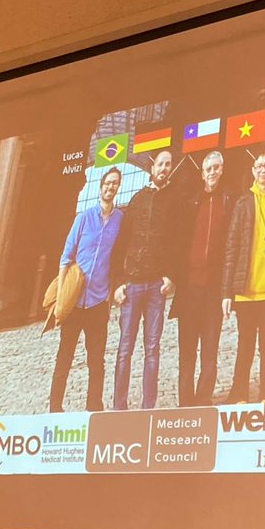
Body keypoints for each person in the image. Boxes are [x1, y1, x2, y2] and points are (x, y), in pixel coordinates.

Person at [49, 167, 124, 412]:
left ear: (118, 188)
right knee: (64, 358)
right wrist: (61, 297)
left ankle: (94, 406)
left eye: (115, 184)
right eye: (107, 183)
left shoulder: (120, 220)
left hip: (98, 302)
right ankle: (55, 407)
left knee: (96, 361)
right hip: (74, 302)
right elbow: (65, 258)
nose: (110, 187)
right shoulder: (84, 218)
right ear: (100, 186)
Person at [222, 153, 265, 403]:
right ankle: (238, 393)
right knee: (245, 345)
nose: (263, 169)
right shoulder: (244, 202)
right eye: (258, 165)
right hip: (246, 290)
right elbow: (232, 246)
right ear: (252, 170)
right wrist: (227, 292)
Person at [111, 150, 176, 410]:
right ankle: (119, 406)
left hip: (156, 287)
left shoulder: (174, 201)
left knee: (152, 349)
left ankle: (149, 406)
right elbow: (121, 242)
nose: (164, 168)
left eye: (168, 164)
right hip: (133, 284)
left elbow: (176, 242)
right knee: (125, 348)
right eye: (160, 164)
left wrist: (171, 276)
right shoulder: (137, 200)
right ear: (152, 168)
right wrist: (117, 282)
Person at [172, 150, 232, 406]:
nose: (212, 172)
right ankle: (186, 400)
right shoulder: (190, 202)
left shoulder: (228, 201)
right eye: (208, 168)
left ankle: (203, 397)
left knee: (210, 348)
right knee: (187, 350)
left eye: (217, 168)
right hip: (189, 290)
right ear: (202, 172)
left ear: (222, 170)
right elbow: (179, 241)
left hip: (213, 290)